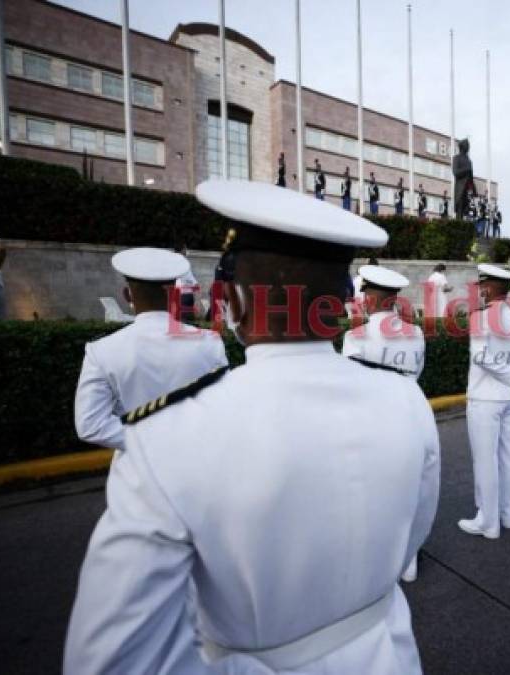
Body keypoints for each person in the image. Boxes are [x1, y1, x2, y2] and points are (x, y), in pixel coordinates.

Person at [64, 180, 441, 675]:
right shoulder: (405, 399)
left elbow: (111, 660)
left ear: (234, 304)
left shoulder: (164, 437)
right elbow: (411, 534)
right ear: (342, 302)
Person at [74, 247, 227, 452]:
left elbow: (90, 426)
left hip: (138, 473)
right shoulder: (210, 341)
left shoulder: (101, 351)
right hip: (196, 461)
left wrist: (149, 439)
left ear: (127, 294)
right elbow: (222, 409)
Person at [341, 265, 426, 584]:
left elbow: (350, 385)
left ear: (373, 299)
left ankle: (378, 559)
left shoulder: (355, 336)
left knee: (374, 492)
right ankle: (409, 561)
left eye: (364, 295)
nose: (361, 301)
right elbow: (416, 374)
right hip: (408, 413)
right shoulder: (415, 333)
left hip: (372, 419)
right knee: (408, 486)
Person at [458, 263, 510, 539]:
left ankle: (488, 522)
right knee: (508, 455)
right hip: (508, 395)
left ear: (487, 287)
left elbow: (480, 356)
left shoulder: (482, 316)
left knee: (485, 459)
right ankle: (508, 515)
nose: (479, 291)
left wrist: (508, 373)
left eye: (481, 286)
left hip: (486, 396)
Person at [174, 244, 199, 321]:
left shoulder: (172, 260)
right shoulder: (183, 261)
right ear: (182, 250)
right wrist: (196, 285)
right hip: (185, 294)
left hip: (176, 293)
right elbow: (188, 277)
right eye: (185, 249)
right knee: (186, 320)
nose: (186, 251)